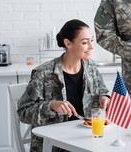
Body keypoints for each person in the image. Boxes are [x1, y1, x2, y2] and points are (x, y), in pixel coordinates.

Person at [17, 19, 110, 152]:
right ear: (68, 43)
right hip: (54, 145)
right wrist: (51, 106)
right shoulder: (44, 73)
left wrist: (104, 97)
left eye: (92, 40)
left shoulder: (91, 67)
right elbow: (23, 112)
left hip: (86, 140)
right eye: (85, 42)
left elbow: (102, 91)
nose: (91, 46)